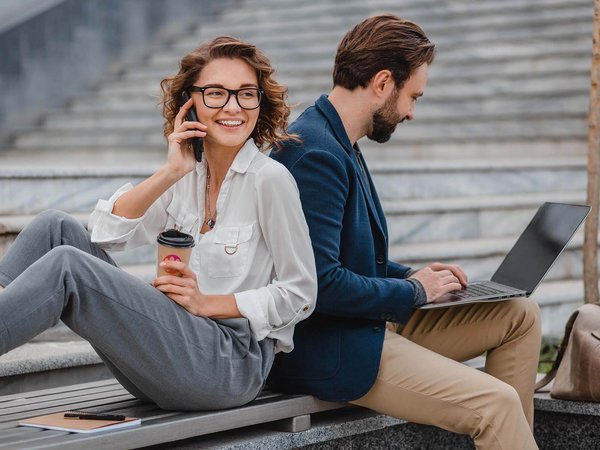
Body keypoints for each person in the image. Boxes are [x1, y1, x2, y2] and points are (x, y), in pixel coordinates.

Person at [268, 14, 541, 449]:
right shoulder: (314, 154)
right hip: (331, 350)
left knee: (518, 315)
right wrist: (415, 292)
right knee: (495, 403)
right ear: (382, 82)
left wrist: (414, 276)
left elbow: (347, 257)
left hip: (362, 327)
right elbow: (317, 285)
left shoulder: (338, 141)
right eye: (413, 96)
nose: (412, 112)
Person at [0, 36, 317, 411]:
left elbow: (300, 294)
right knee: (55, 227)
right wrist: (171, 171)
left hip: (227, 365)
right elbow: (106, 234)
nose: (233, 107)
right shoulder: (186, 176)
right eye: (216, 93)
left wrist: (209, 303)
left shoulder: (270, 179)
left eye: (246, 93)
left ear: (258, 103)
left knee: (68, 267)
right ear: (191, 102)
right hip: (171, 352)